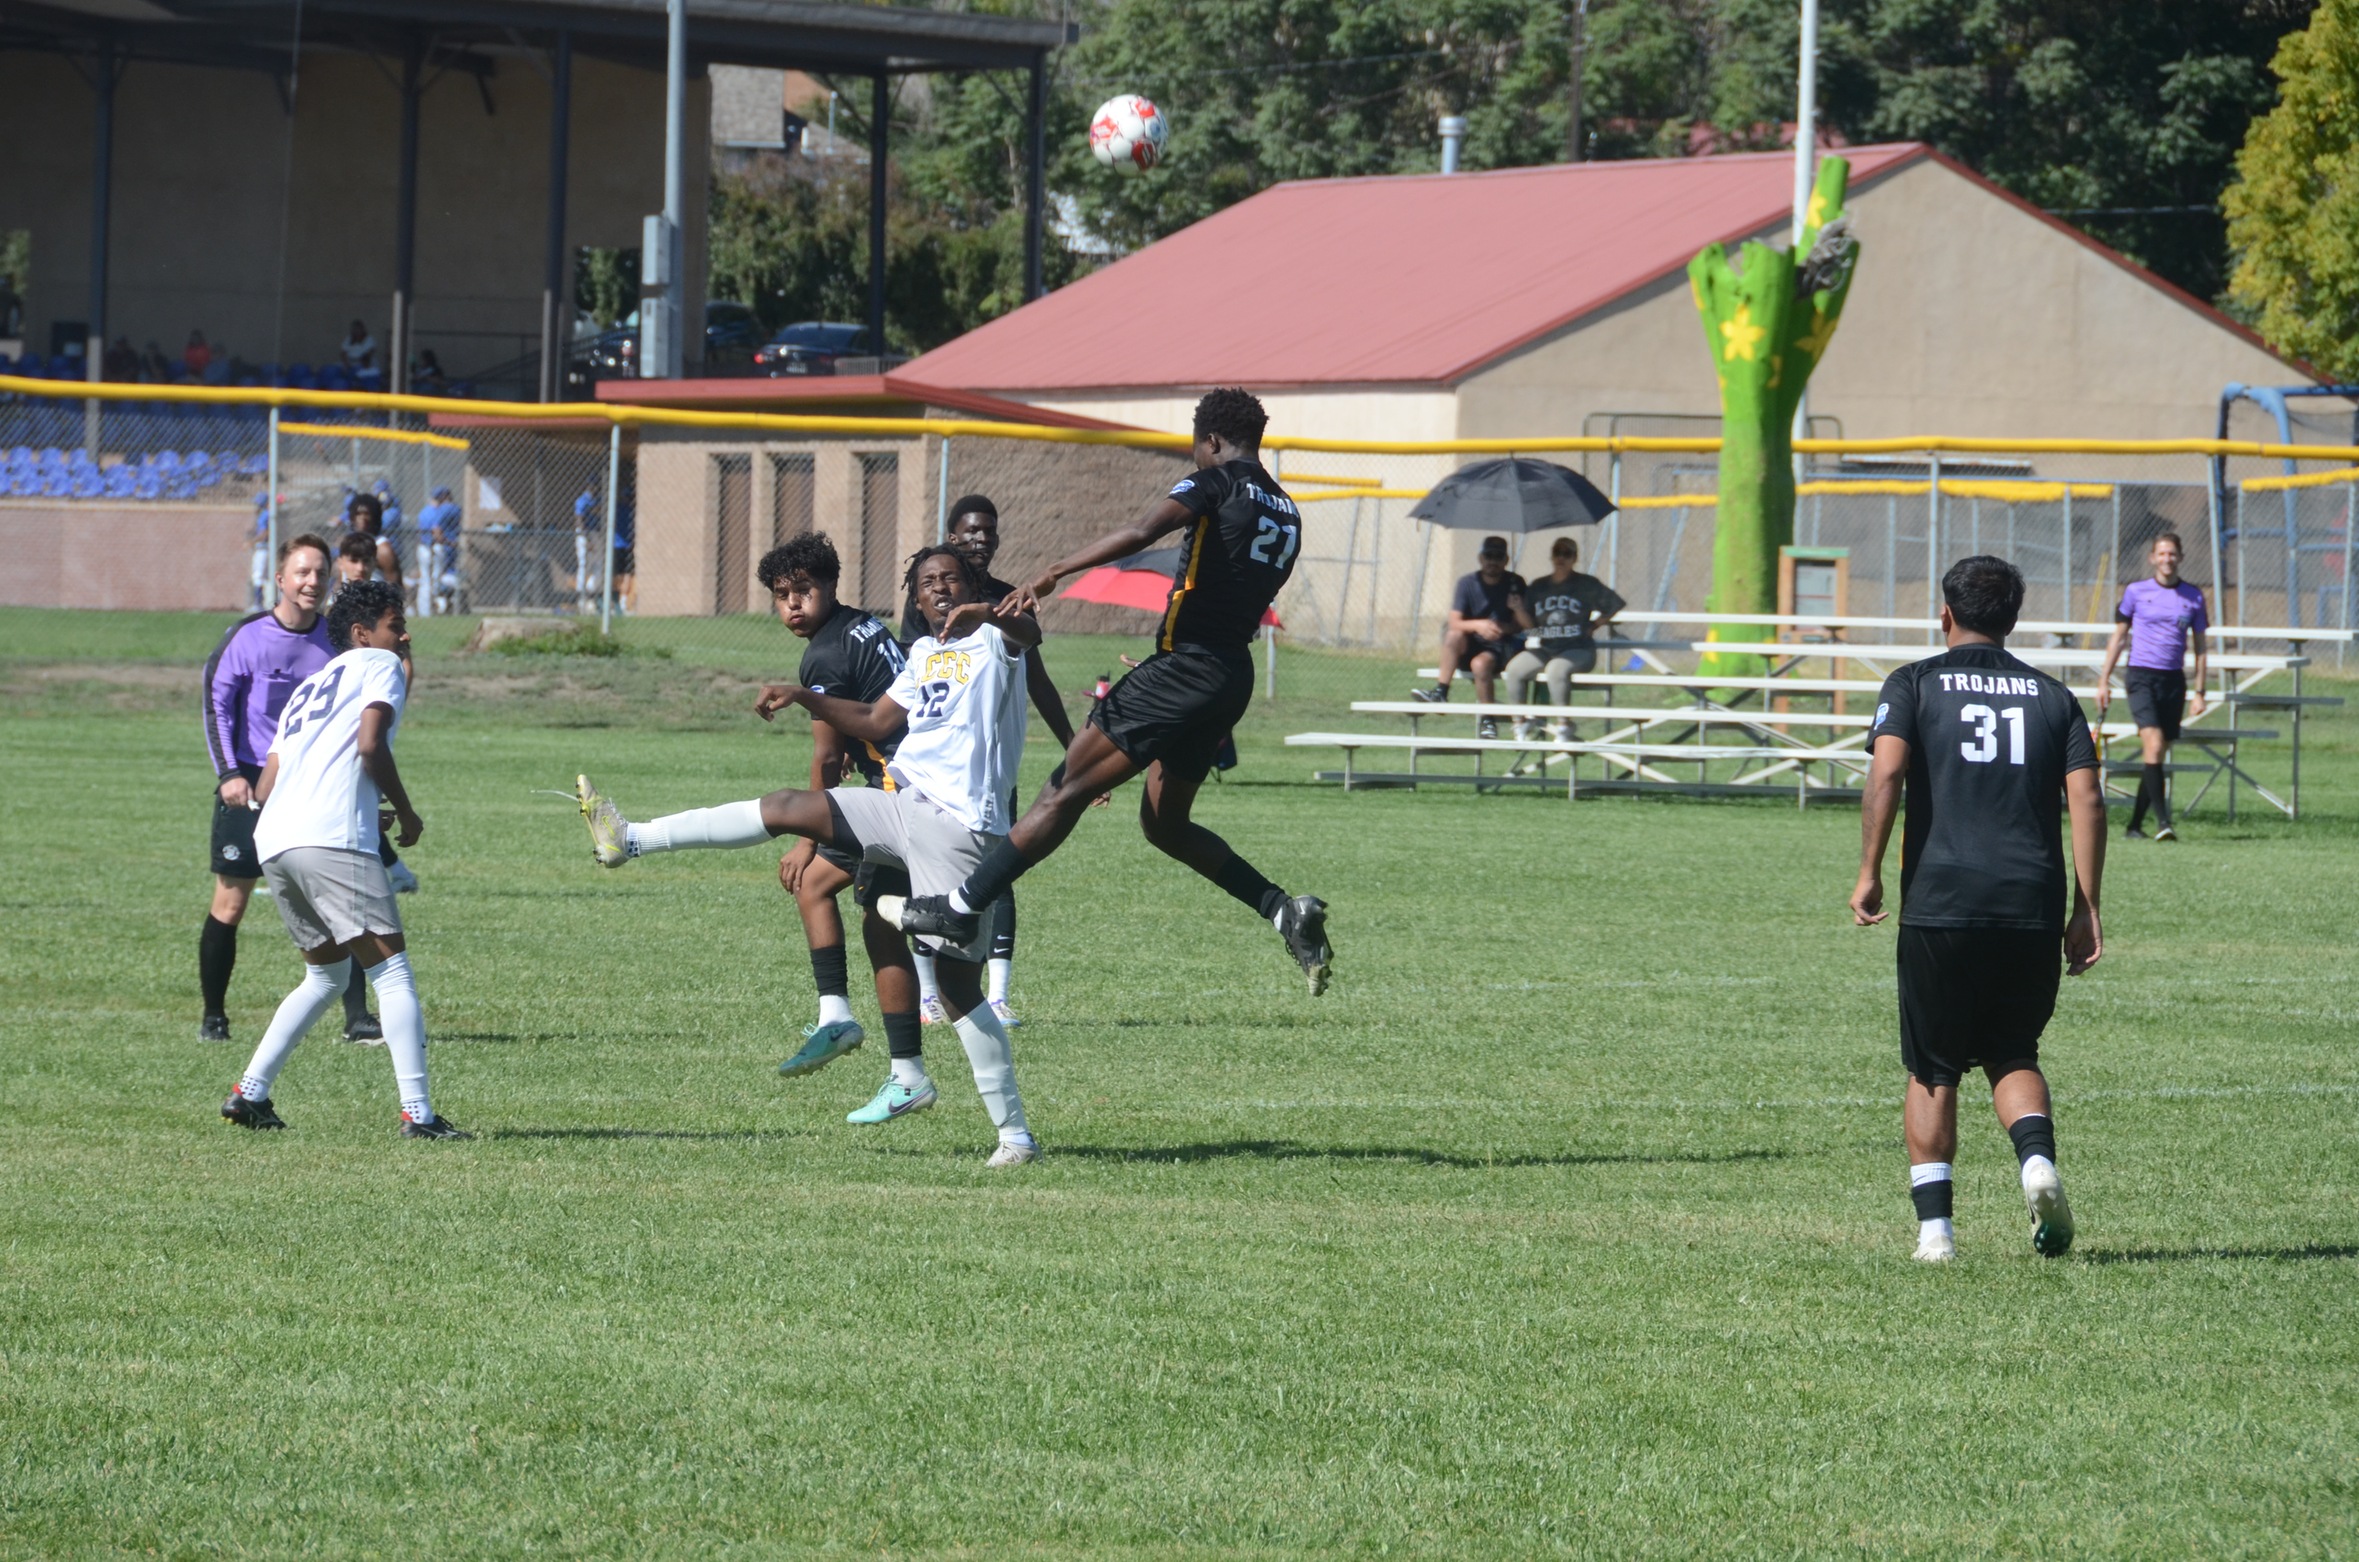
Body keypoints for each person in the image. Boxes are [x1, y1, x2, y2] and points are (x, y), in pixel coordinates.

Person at [575, 546, 1039, 1165]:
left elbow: (1027, 632)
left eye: (951, 579)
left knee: (956, 987)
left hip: (960, 830)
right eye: (927, 583)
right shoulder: (924, 653)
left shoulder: (994, 645)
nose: (940, 590)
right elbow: (874, 719)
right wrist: (804, 696)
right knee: (791, 805)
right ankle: (629, 839)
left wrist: (991, 613)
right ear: (914, 597)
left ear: (972, 586)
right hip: (903, 806)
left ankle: (1014, 1137)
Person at [875, 387, 1333, 997]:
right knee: (1165, 825)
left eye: (1197, 449)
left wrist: (1055, 572)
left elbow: (1144, 528)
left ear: (1213, 442)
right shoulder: (1287, 509)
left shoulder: (1217, 482)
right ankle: (1283, 909)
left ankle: (959, 906)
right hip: (1229, 678)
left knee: (1063, 788)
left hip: (1183, 669)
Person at [1851, 554, 2106, 1264]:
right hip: (2028, 902)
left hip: (1939, 900)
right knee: (2011, 1051)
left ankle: (1935, 1233)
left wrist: (1869, 870)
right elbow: (2084, 798)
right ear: (2012, 620)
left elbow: (1887, 771)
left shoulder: (1913, 683)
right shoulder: (2053, 696)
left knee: (1933, 1063)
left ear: (1944, 613)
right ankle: (2034, 1163)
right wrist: (2085, 906)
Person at [221, 579, 470, 1139]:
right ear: (363, 635)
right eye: (393, 623)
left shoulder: (309, 687)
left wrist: (359, 807)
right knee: (393, 971)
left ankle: (249, 1093)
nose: (403, 633)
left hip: (278, 841)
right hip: (329, 839)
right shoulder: (378, 663)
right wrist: (404, 812)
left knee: (326, 976)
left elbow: (270, 780)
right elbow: (368, 744)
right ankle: (419, 1115)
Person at [894, 494, 1080, 1028]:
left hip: (989, 760)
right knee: (923, 870)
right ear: (951, 537)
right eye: (969, 531)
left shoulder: (1007, 599)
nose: (980, 539)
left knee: (999, 870)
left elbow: (1036, 676)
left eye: (988, 532)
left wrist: (1072, 744)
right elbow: (921, 677)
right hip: (938, 762)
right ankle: (930, 990)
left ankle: (997, 993)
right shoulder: (928, 595)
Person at [200, 533, 380, 1045]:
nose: (312, 581)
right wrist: (230, 775)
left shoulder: (338, 640)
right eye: (302, 572)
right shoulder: (248, 636)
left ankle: (357, 1018)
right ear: (279, 579)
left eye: (321, 572)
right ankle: (214, 1016)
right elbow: (216, 706)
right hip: (252, 784)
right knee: (230, 903)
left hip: (316, 786)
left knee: (342, 900)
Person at [2096, 532, 2209, 841]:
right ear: (2152, 558)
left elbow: (2200, 646)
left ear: (2180, 557)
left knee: (2154, 754)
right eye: (2161, 554)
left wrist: (2200, 692)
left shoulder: (2193, 596)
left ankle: (2134, 826)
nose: (2166, 559)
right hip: (2141, 676)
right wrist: (2104, 680)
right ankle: (2164, 823)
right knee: (2155, 745)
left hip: (2173, 681)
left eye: (2172, 554)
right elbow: (2118, 637)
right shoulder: (2136, 592)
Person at [1504, 535, 1625, 741]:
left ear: (1574, 558)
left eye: (1567, 553)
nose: (1561, 558)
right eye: (1557, 553)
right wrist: (1517, 609)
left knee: (1556, 670)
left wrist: (1595, 625)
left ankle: (1564, 726)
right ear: (1551, 556)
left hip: (1578, 649)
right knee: (1514, 670)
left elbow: (1615, 604)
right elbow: (1530, 625)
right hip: (1547, 647)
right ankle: (1520, 724)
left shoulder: (1586, 584)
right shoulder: (1539, 586)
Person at [1411, 534, 1525, 737]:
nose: (1493, 562)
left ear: (1506, 560)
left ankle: (1488, 720)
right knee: (1453, 634)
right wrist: (1479, 625)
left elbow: (1522, 625)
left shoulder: (1515, 583)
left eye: (1498, 557)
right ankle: (1441, 692)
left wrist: (1503, 627)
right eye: (1488, 556)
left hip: (1499, 647)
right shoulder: (1467, 583)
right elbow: (1455, 621)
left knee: (1480, 665)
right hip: (1469, 644)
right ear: (1481, 558)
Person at [346, 490, 404, 597]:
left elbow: (396, 590)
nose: (363, 518)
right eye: (358, 514)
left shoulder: (382, 548)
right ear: (352, 517)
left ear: (375, 517)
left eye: (367, 514)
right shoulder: (347, 544)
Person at [417, 485, 462, 615]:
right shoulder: (439, 511)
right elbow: (437, 532)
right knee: (435, 580)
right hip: (435, 547)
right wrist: (450, 543)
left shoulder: (424, 511)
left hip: (422, 547)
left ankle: (424, 612)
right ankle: (436, 610)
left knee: (424, 581)